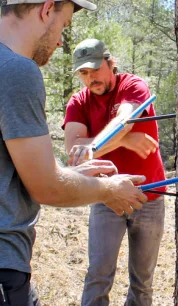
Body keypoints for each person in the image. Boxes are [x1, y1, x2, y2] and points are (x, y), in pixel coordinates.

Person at [0, 0, 148, 306]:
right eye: (63, 24)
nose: (61, 39)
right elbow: (46, 188)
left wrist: (72, 174)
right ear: (46, 9)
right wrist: (108, 189)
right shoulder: (15, 70)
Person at [63, 38, 167, 306]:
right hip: (106, 196)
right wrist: (123, 139)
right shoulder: (78, 101)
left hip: (149, 196)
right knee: (98, 275)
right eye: (84, 73)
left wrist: (111, 137)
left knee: (142, 282)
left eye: (95, 69)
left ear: (111, 63)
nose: (90, 78)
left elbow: (124, 120)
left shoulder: (133, 86)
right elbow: (74, 150)